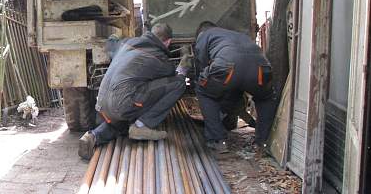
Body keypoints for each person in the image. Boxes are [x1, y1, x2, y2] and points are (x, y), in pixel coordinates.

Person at [78, 23, 191, 160]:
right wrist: (183, 67)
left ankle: (93, 136)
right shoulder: (159, 57)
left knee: (121, 122)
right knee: (178, 83)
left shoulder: (126, 43)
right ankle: (141, 125)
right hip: (122, 103)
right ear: (168, 42)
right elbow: (171, 77)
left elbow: (110, 46)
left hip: (102, 103)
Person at [194, 21, 277, 152]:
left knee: (203, 91)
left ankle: (218, 140)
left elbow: (202, 67)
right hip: (261, 68)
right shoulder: (237, 35)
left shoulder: (205, 35)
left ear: (200, 32)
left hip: (228, 67)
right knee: (266, 98)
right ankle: (263, 141)